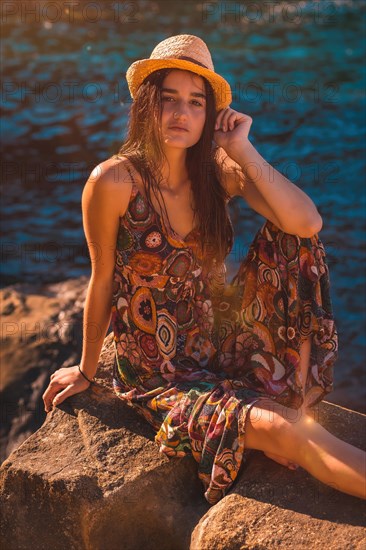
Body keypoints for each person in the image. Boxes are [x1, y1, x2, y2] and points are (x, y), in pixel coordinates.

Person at [42, 34, 365, 504]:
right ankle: (281, 409)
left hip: (218, 342)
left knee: (294, 236)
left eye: (196, 103)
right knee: (285, 429)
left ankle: (282, 392)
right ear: (146, 105)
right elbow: (103, 278)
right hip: (161, 372)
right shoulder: (113, 181)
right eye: (169, 99)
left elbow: (307, 221)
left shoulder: (218, 170)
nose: (181, 113)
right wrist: (88, 372)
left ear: (209, 116)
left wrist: (242, 149)